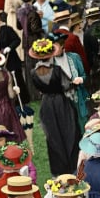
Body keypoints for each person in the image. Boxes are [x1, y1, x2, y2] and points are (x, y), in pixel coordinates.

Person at [30, 38, 82, 176]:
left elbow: (39, 89)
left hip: (46, 105)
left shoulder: (33, 73)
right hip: (61, 103)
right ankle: (73, 167)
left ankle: (59, 172)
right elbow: (66, 86)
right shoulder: (57, 70)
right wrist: (75, 83)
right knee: (69, 133)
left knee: (53, 138)